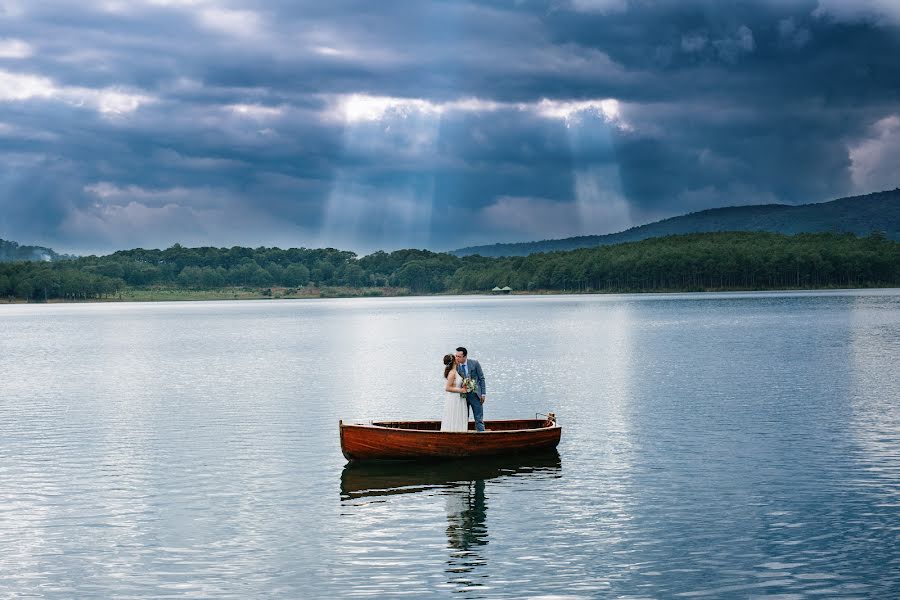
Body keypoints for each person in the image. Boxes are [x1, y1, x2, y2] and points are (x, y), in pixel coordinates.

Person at [455, 347, 486, 432]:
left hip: (475, 395)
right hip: (462, 396)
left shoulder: (475, 363)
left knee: (478, 418)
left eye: (459, 356)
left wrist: (483, 394)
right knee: (464, 418)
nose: (457, 358)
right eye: (456, 356)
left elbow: (481, 378)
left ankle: (482, 436)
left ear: (465, 356)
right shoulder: (455, 366)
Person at [441, 353, 469, 432]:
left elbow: (456, 384)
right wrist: (461, 390)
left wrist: (464, 385)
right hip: (454, 398)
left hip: (458, 398)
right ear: (453, 361)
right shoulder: (452, 373)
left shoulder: (455, 371)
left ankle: (459, 431)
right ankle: (453, 432)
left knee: (458, 415)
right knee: (455, 415)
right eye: (455, 357)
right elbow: (448, 388)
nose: (457, 358)